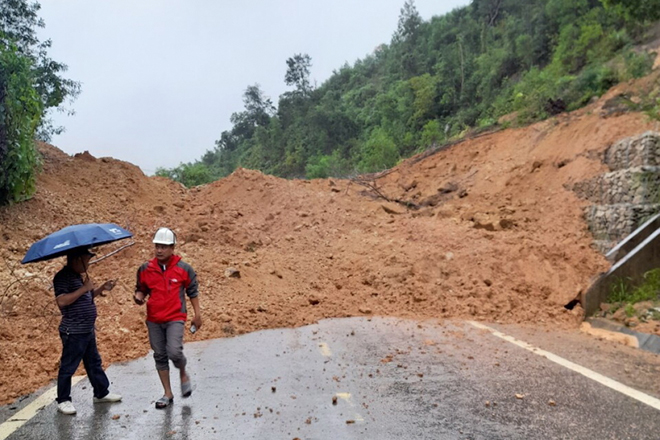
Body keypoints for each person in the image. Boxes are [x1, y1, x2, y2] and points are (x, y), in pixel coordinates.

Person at [134, 227, 202, 409]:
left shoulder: (184, 269)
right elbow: (141, 288)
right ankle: (167, 393)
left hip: (175, 317)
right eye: (157, 246)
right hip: (154, 319)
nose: (159, 250)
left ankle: (182, 372)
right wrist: (139, 296)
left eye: (164, 247)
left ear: (172, 248)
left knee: (174, 351)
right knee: (160, 355)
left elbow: (192, 292)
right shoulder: (145, 269)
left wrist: (197, 314)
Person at [53, 247, 122, 415]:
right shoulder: (62, 277)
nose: (88, 264)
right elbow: (62, 301)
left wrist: (101, 288)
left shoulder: (78, 277)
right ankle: (63, 400)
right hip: (73, 330)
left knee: (93, 362)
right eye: (86, 260)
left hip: (86, 329)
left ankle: (101, 392)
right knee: (69, 366)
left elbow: (86, 297)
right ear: (77, 260)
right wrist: (84, 288)